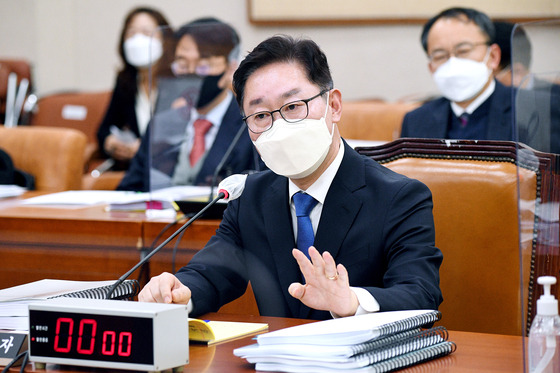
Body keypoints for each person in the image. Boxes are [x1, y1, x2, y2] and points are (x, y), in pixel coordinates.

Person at [139, 35, 443, 320]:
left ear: (334, 106)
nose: (278, 126)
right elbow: (213, 272)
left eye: (294, 106)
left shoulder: (399, 197)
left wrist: (352, 302)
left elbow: (421, 293)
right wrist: (180, 292)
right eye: (260, 116)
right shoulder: (251, 197)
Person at [117, 18, 261, 191]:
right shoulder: (161, 124)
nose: (192, 73)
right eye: (183, 64)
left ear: (230, 69)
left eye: (203, 64)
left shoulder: (252, 125)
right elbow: (129, 190)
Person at [400, 7, 512, 141]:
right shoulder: (416, 121)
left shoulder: (530, 111)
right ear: (431, 68)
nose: (453, 63)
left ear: (493, 56)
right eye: (440, 55)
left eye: (463, 51)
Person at [96, 7, 174, 171]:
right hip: (136, 172)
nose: (138, 40)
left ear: (165, 40)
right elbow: (103, 130)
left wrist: (144, 148)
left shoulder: (179, 80)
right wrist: (112, 144)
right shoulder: (126, 81)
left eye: (146, 33)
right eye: (131, 33)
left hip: (170, 171)